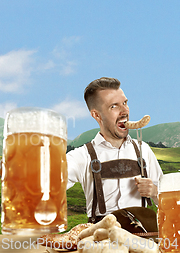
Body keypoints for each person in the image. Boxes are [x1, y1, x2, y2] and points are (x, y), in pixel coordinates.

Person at [66, 77, 163, 223]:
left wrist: (155, 192)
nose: (125, 111)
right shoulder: (81, 156)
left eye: (125, 103)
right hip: (101, 239)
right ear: (96, 115)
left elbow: (168, 202)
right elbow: (49, 185)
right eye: (114, 106)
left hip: (143, 237)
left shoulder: (144, 150)